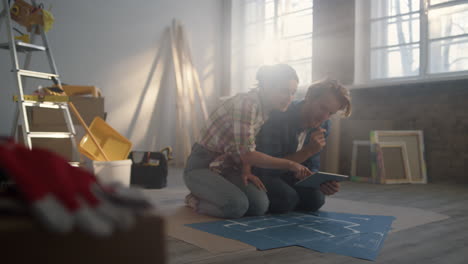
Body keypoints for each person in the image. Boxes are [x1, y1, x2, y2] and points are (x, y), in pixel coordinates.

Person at [183, 64, 313, 218]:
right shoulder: (246, 104)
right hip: (202, 165)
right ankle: (196, 198)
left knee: (259, 206)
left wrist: (246, 170)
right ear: (266, 86)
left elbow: (246, 144)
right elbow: (248, 154)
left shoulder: (267, 109)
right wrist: (291, 164)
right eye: (284, 91)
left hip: (226, 166)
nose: (289, 98)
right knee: (236, 206)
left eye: (293, 93)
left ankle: (213, 192)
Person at [252, 79, 352, 214]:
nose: (324, 116)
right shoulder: (279, 116)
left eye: (331, 113)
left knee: (316, 200)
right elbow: (265, 166)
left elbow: (311, 166)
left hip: (291, 174)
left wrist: (320, 182)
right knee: (287, 199)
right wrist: (309, 151)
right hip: (263, 171)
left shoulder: (324, 124)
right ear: (309, 97)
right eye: (323, 108)